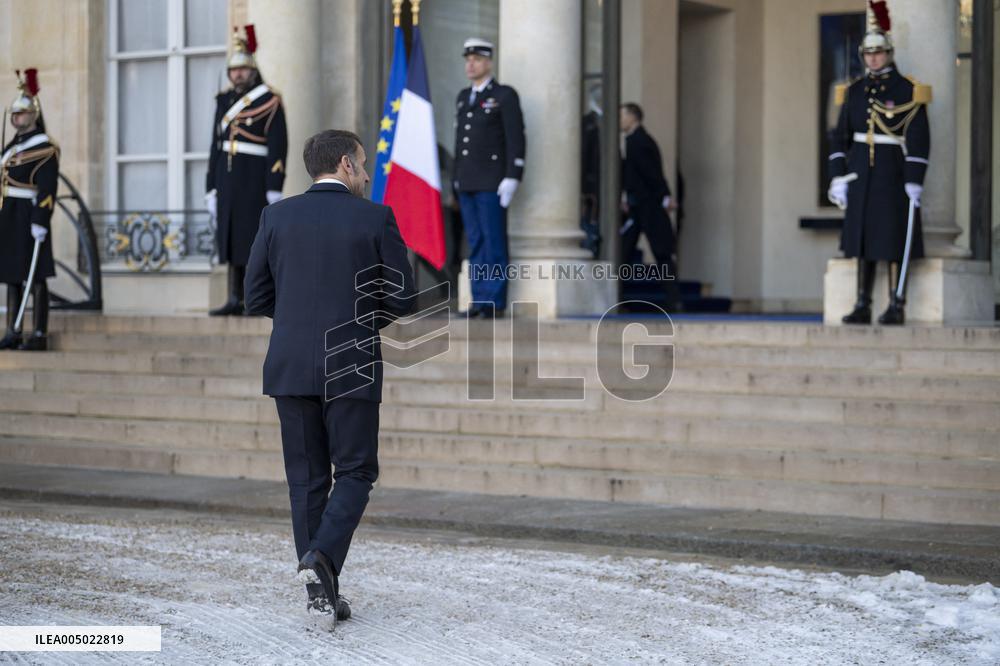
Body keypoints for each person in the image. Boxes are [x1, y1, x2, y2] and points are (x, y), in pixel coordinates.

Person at [244, 130, 415, 629]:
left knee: (307, 479)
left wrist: (299, 321)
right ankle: (320, 560)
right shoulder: (375, 216)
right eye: (362, 165)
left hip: (290, 362)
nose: (366, 174)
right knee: (357, 472)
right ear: (344, 164)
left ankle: (320, 591)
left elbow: (255, 297)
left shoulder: (275, 216)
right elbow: (404, 299)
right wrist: (357, 325)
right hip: (351, 360)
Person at [828, 5, 930, 326]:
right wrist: (837, 177)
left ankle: (896, 304)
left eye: (879, 52)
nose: (873, 58)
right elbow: (840, 137)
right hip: (861, 172)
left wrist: (914, 178)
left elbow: (919, 136)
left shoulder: (907, 89)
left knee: (893, 238)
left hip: (892, 172)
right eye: (868, 53)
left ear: (889, 53)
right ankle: (863, 303)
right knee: (862, 239)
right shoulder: (855, 91)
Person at [205, 24, 288, 316]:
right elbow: (215, 146)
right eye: (233, 70)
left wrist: (274, 185)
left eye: (242, 69)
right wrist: (210, 187)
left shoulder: (269, 100)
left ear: (252, 70)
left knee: (252, 243)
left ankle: (255, 299)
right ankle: (234, 297)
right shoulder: (223, 102)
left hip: (254, 181)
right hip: (226, 181)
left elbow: (278, 144)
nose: (237, 74)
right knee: (229, 241)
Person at [453, 38, 525, 319]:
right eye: (467, 59)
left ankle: (494, 300)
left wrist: (513, 175)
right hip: (468, 180)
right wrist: (456, 179)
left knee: (493, 241)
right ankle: (479, 298)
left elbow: (515, 137)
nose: (470, 64)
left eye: (476, 59)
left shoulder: (504, 95)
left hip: (493, 181)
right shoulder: (463, 96)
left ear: (488, 62)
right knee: (475, 241)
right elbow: (461, 140)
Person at [0, 69, 59, 351]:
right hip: (9, 213)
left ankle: (38, 334)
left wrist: (41, 219)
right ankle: (13, 330)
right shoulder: (12, 147)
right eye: (14, 114)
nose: (16, 118)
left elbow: (47, 188)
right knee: (12, 274)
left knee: (36, 276)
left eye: (21, 114)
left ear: (33, 115)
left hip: (29, 214)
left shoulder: (45, 148)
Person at [619, 102, 680, 311]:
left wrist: (664, 196)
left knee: (660, 253)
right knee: (623, 253)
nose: (620, 120)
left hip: (648, 207)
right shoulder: (634, 141)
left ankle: (674, 299)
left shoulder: (640, 142)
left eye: (622, 115)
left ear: (633, 117)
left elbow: (651, 174)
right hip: (638, 208)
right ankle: (618, 298)